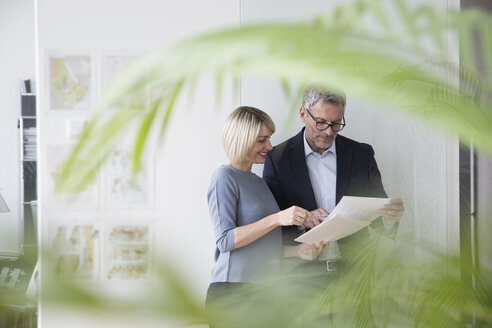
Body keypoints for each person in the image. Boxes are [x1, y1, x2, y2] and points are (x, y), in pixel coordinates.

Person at [263, 87, 405, 273]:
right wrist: (301, 220)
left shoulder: (362, 155)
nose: (329, 132)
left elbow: (378, 218)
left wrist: (389, 220)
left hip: (355, 276)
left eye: (336, 123)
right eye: (321, 123)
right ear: (303, 114)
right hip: (299, 279)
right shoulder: (277, 159)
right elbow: (269, 224)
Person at [205, 106, 326, 317]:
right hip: (233, 292)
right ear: (241, 139)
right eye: (262, 140)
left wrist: (298, 251)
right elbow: (225, 240)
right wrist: (277, 218)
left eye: (269, 139)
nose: (269, 146)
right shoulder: (224, 178)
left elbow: (261, 246)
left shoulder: (259, 183)